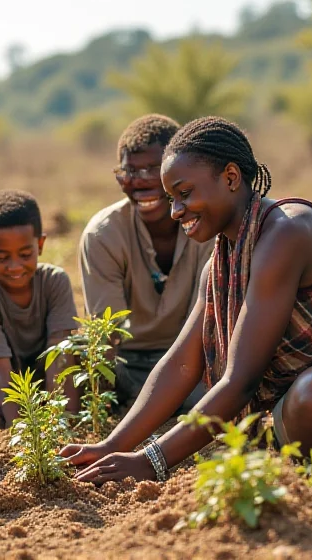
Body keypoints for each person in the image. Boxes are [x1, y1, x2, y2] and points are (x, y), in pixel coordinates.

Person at [63, 116, 312, 483]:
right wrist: (111, 445)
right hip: (299, 410)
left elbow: (239, 381)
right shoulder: (220, 262)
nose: (175, 211)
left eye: (184, 194)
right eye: (171, 199)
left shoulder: (287, 232)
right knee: (296, 404)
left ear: (230, 178)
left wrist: (151, 462)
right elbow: (181, 364)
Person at [78, 114, 214, 410]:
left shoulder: (208, 228)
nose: (140, 181)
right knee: (80, 373)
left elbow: (206, 329)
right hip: (127, 362)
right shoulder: (103, 234)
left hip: (190, 360)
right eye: (129, 171)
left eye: (153, 169)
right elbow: (107, 334)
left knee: (218, 398)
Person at [0, 189, 80, 427]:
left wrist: (65, 420)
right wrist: (22, 431)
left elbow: (59, 351)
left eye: (25, 254)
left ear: (40, 244)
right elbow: (1, 370)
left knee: (77, 355)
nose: (15, 267)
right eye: (2, 257)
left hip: (42, 363)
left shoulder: (55, 282)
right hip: (0, 371)